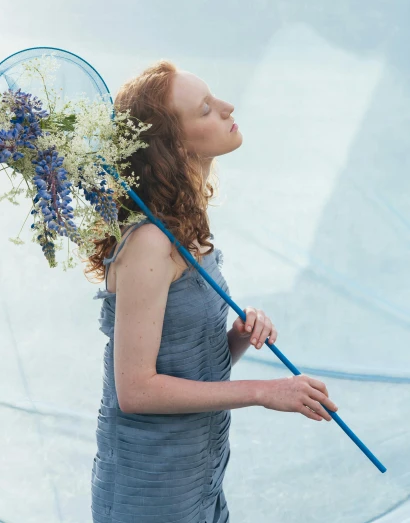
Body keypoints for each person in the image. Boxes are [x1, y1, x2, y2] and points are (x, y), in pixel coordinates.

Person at [88, 60, 338, 523]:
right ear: (173, 146)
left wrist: (237, 338)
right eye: (205, 109)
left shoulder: (187, 230)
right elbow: (137, 391)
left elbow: (182, 368)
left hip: (200, 475)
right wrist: (265, 391)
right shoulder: (149, 243)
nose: (227, 108)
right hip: (151, 490)